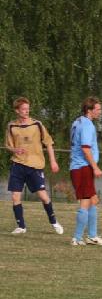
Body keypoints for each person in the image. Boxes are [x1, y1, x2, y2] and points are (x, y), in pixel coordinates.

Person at [5, 97, 64, 235]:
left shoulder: (37, 124)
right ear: (17, 111)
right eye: (23, 109)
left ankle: (54, 222)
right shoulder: (11, 126)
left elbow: (48, 143)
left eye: (28, 108)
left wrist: (53, 161)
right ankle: (21, 226)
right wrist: (15, 150)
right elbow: (8, 145)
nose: (27, 111)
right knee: (15, 196)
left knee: (43, 196)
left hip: (35, 166)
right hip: (18, 165)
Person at [69, 97, 102, 246]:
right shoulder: (87, 125)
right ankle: (77, 238)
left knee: (93, 201)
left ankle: (92, 236)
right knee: (86, 202)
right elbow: (85, 149)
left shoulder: (77, 122)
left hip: (78, 167)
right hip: (83, 167)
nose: (100, 112)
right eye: (98, 109)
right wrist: (95, 167)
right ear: (89, 110)